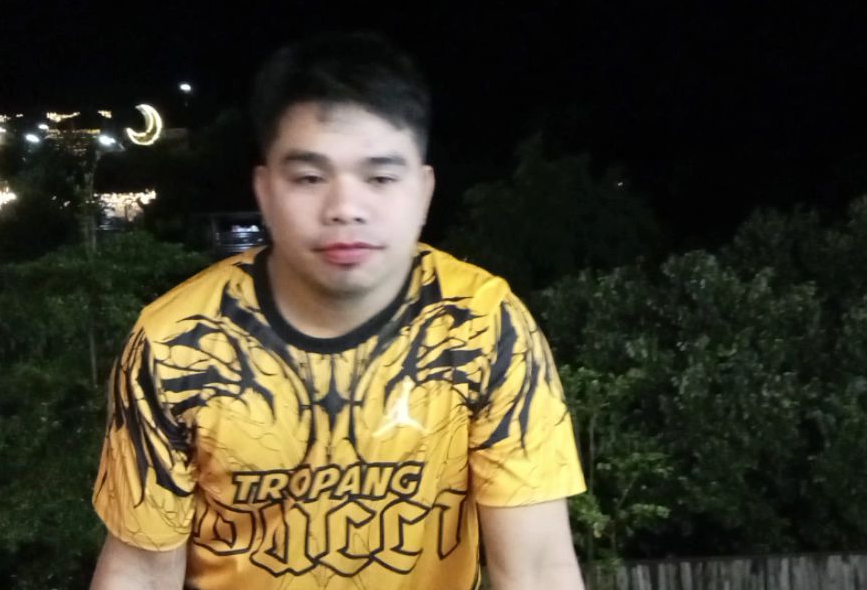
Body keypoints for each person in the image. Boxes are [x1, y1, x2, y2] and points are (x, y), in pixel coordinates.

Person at [89, 30, 587, 590]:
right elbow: (142, 571)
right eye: (309, 177)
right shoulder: (177, 345)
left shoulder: (483, 328)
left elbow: (537, 567)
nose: (345, 207)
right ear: (266, 191)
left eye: (380, 177)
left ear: (423, 191)